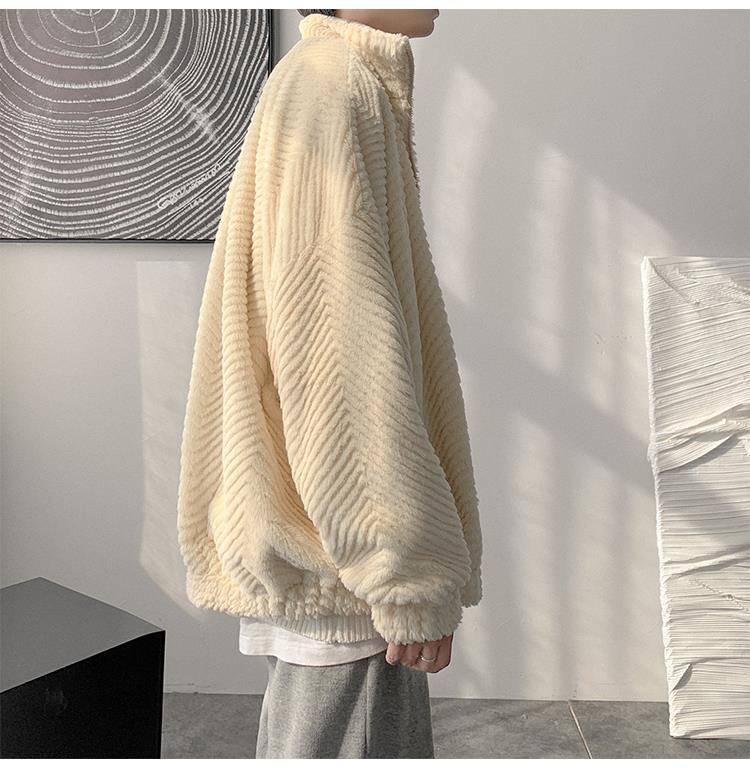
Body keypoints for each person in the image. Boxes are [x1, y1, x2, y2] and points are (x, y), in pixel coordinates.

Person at [176, 8, 483, 760]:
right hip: (346, 572)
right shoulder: (332, 86)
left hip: (333, 557)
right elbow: (335, 360)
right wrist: (404, 573)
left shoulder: (332, 81)